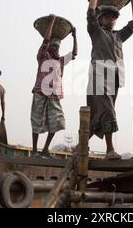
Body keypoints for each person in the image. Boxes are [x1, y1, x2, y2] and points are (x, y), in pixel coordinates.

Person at [86, 0, 133, 160]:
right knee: (108, 111)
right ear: (101, 19)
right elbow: (90, 13)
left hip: (115, 78)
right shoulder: (96, 31)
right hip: (99, 76)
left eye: (114, 17)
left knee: (98, 116)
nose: (111, 19)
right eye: (108, 16)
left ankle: (81, 144)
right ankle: (110, 150)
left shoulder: (118, 36)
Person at [31, 15, 77, 158]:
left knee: (57, 121)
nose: (56, 49)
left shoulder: (61, 61)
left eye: (58, 46)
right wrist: (51, 22)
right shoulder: (43, 56)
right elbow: (45, 41)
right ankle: (34, 150)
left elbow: (74, 53)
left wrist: (74, 36)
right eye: (54, 46)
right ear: (49, 47)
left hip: (54, 94)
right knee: (37, 120)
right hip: (40, 91)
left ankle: (45, 149)